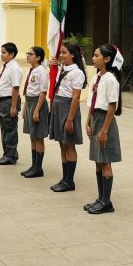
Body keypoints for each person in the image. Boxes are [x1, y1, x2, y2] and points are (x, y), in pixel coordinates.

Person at [84, 44, 124, 214]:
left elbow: (112, 107)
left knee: (105, 160)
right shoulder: (96, 78)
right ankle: (101, 198)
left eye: (96, 55)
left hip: (104, 121)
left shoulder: (110, 79)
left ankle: (107, 202)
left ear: (107, 59)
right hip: (95, 118)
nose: (93, 58)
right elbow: (91, 102)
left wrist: (104, 131)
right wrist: (87, 122)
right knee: (98, 161)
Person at [49, 41, 87, 192]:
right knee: (62, 143)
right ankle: (64, 178)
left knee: (69, 144)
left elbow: (76, 98)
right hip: (58, 107)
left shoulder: (77, 73)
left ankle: (69, 181)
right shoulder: (63, 68)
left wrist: (70, 120)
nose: (61, 55)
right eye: (61, 52)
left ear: (73, 54)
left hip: (67, 108)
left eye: (64, 52)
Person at [21, 46, 50, 178]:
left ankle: (38, 168)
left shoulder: (41, 71)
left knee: (38, 137)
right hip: (30, 103)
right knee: (32, 136)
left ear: (38, 57)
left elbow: (43, 92)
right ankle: (33, 165)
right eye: (27, 53)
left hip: (38, 104)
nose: (28, 56)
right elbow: (28, 90)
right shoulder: (31, 70)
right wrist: (25, 107)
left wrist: (37, 110)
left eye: (30, 54)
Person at [0, 42, 23, 166]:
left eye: (4, 53)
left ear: (12, 54)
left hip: (9, 101)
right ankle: (8, 153)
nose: (1, 55)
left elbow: (15, 88)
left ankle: (10, 157)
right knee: (5, 129)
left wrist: (13, 106)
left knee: (10, 129)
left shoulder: (14, 68)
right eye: (1, 52)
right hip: (2, 101)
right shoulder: (5, 65)